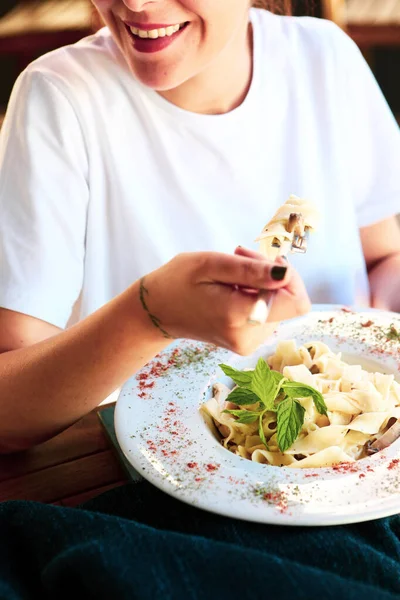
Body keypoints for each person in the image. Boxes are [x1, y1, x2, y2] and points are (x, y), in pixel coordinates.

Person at [0, 0, 399, 453]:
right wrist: (149, 317)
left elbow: (383, 258)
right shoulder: (61, 97)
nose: (135, 2)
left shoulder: (324, 60)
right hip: (152, 484)